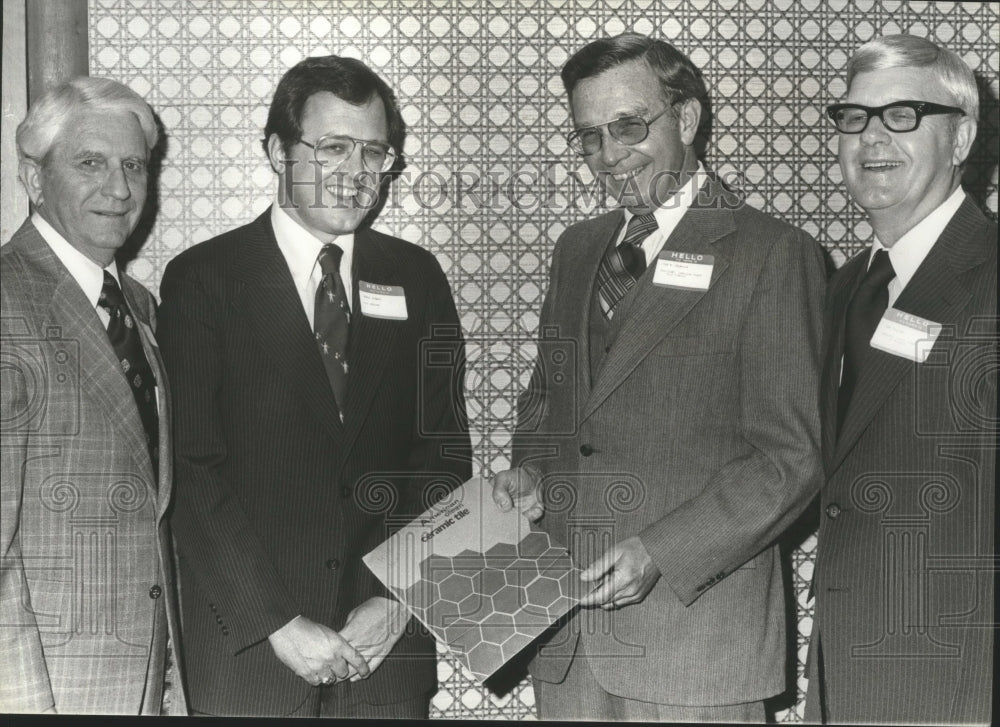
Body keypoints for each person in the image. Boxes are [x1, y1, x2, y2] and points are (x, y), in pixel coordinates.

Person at [492, 33, 827, 722]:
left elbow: (792, 457)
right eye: (589, 136)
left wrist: (660, 552)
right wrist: (527, 474)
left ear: (687, 118)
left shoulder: (773, 254)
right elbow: (547, 404)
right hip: (568, 644)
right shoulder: (578, 249)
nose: (609, 155)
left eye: (628, 126)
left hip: (695, 644)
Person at [156, 55, 472, 718]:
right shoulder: (204, 281)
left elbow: (441, 458)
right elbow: (191, 471)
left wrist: (396, 599)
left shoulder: (416, 278)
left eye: (373, 152)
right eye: (332, 147)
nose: (356, 174)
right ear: (276, 149)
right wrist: (278, 622)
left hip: (384, 649)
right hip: (252, 651)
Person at [806, 34, 995, 725]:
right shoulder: (848, 286)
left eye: (903, 114)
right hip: (845, 664)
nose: (871, 138)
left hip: (957, 679)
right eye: (854, 117)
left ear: (962, 136)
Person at [0, 77, 186, 715]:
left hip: (139, 676)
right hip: (45, 687)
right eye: (90, 163)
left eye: (134, 165)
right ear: (33, 179)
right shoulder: (5, 299)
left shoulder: (137, 306)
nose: (120, 188)